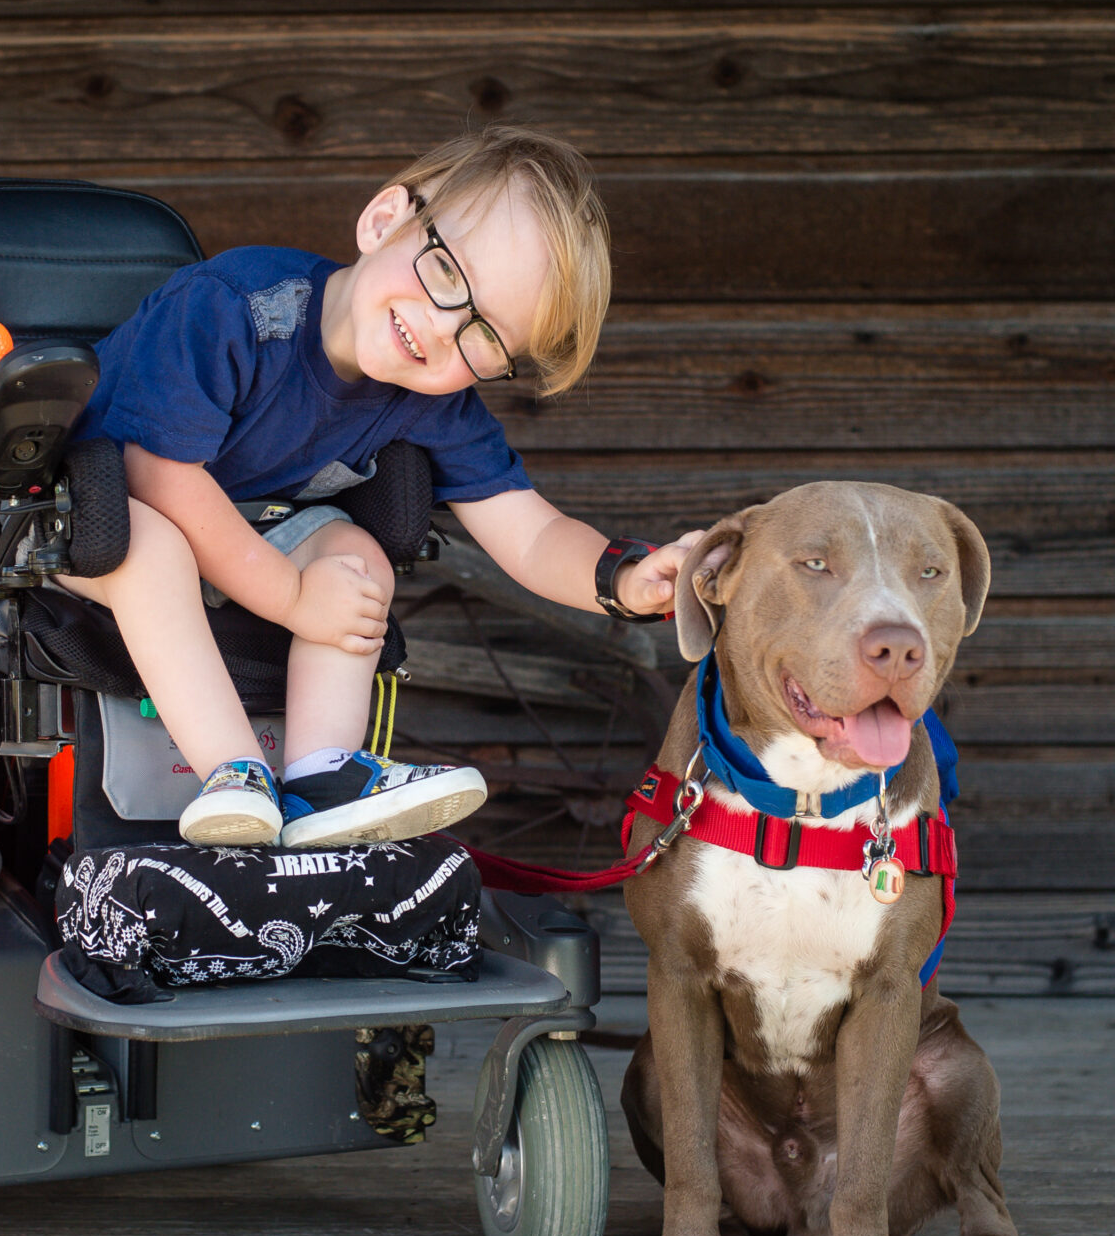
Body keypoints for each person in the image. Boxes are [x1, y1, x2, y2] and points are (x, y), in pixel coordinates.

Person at [61, 126, 695, 848]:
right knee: (155, 549)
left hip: (239, 521)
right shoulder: (236, 309)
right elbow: (158, 477)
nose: (442, 328)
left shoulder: (432, 398)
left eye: (486, 339)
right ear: (385, 220)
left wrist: (625, 577)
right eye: (447, 274)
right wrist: (294, 597)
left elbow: (530, 530)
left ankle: (322, 778)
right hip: (82, 510)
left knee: (355, 554)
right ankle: (235, 776)